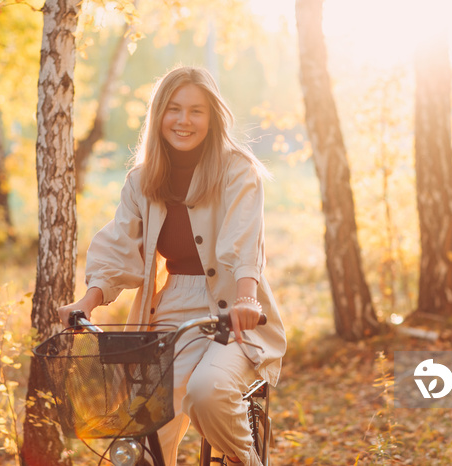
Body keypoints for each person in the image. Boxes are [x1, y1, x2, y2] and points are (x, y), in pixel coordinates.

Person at [57, 65, 286, 466]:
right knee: (146, 435)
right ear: (159, 114)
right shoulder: (143, 180)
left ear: (212, 117)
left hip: (234, 311)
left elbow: (243, 242)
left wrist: (246, 299)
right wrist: (87, 301)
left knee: (208, 391)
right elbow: (118, 245)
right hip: (171, 308)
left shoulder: (237, 170)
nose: (184, 121)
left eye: (196, 111)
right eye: (174, 109)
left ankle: (246, 460)